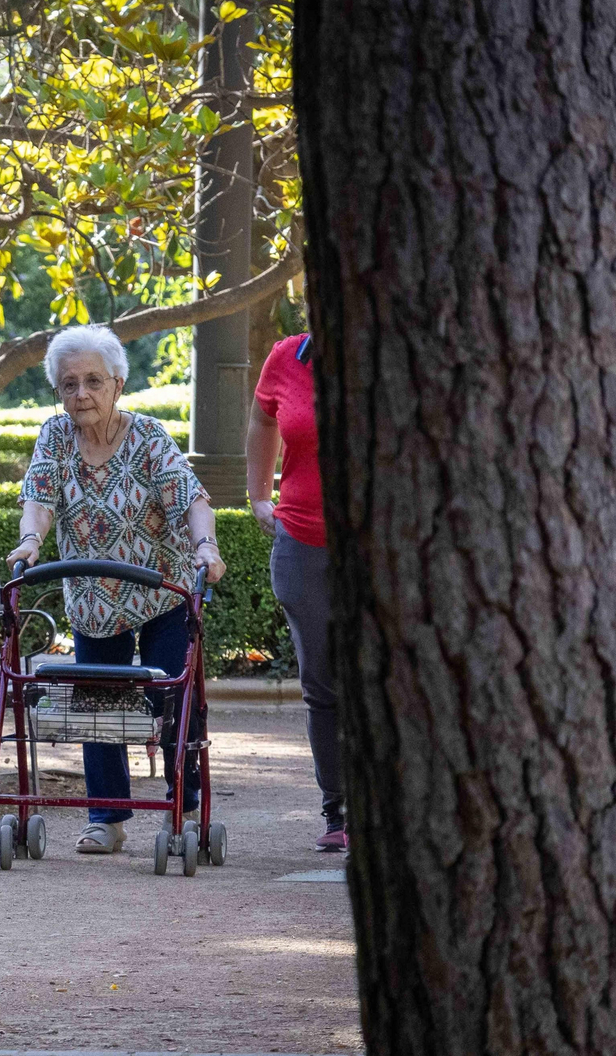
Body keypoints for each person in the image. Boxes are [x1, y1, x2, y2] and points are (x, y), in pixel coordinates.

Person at [6, 326, 226, 854]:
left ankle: (185, 809)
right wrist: (31, 540)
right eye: (69, 384)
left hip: (160, 595)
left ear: (118, 384)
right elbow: (38, 494)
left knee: (173, 701)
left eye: (93, 381)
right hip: (94, 603)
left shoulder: (149, 437)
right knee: (97, 708)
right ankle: (107, 819)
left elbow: (192, 501)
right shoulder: (56, 438)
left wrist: (207, 548)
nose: (80, 394)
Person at [246, 331, 346, 852]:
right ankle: (339, 811)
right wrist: (259, 493)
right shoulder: (288, 356)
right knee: (322, 680)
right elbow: (264, 418)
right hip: (303, 543)